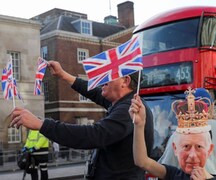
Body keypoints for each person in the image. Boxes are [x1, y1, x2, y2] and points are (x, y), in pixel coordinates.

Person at [10, 61, 154, 179]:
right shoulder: (123, 102)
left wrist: (41, 124)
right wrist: (63, 75)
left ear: (125, 81)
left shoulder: (129, 109)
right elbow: (93, 92)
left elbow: (92, 135)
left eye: (109, 74)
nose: (103, 77)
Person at [129, 88, 216, 179]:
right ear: (175, 148)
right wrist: (139, 124)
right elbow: (142, 161)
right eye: (186, 146)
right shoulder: (173, 175)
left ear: (209, 150)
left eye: (199, 147)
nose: (192, 155)